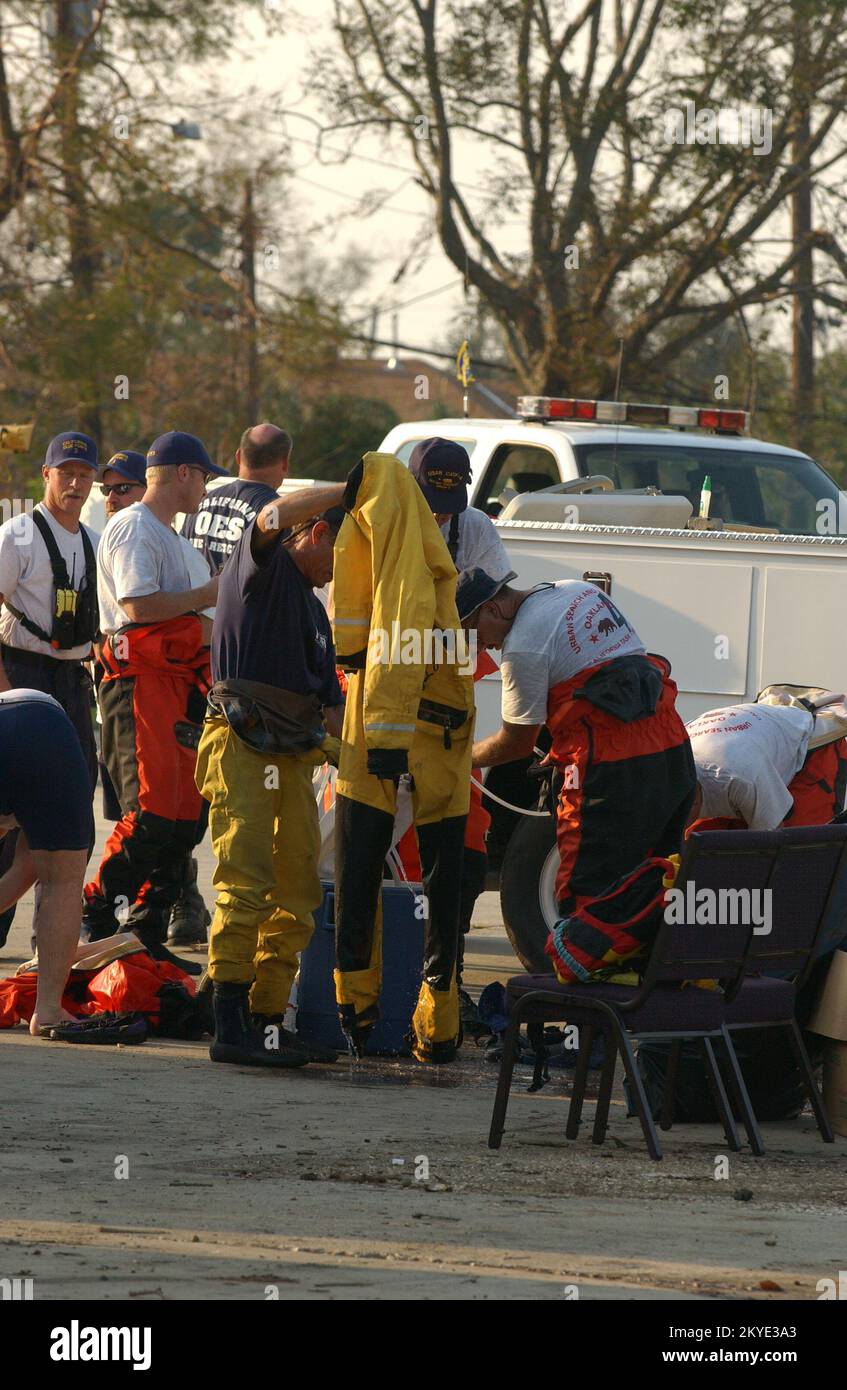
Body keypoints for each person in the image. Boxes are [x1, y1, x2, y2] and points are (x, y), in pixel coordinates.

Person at [195, 483, 347, 1068]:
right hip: (243, 746)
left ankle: (267, 1021)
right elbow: (273, 513)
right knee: (245, 880)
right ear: (318, 532)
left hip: (294, 755)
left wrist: (354, 755)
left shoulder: (315, 611)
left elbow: (327, 700)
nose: (340, 571)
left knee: (297, 891)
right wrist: (352, 481)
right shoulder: (259, 567)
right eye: (341, 551)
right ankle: (228, 1025)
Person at [460, 568, 696, 917]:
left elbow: (516, 743)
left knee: (586, 892)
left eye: (475, 634)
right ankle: (651, 967)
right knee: (658, 877)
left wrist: (461, 759)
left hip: (610, 762)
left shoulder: (523, 646)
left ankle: (586, 969)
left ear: (492, 609)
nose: (483, 647)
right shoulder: (575, 591)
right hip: (671, 746)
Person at [81, 431, 224, 959]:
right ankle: (96, 917)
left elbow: (201, 625)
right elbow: (138, 606)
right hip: (140, 683)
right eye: (204, 476)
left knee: (187, 816)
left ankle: (142, 935)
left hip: (182, 686)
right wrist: (208, 596)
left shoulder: (179, 544)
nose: (206, 489)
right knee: (152, 812)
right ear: (183, 473)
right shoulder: (132, 525)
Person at [403, 437, 512, 1019]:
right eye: (431, 497)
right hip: (387, 714)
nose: (441, 510)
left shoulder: (476, 529)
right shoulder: (383, 527)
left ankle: (447, 973)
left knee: (469, 842)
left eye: (450, 497)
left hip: (449, 715)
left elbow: (489, 601)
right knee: (386, 852)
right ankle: (387, 973)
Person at [0, 431, 100, 949]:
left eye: (85, 475)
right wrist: (6, 693)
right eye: (67, 473)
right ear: (46, 475)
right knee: (10, 817)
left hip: (71, 683)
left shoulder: (91, 539)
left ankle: (50, 945)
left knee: (68, 818)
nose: (76, 483)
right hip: (21, 674)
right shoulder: (16, 535)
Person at [0, 689, 94, 1033]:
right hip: (44, 725)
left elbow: (24, 869)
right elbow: (31, 870)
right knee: (63, 878)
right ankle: (49, 1010)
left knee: (52, 873)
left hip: (28, 720)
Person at [686, 698, 844, 830]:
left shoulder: (742, 777)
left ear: (694, 803)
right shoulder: (672, 758)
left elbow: (772, 839)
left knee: (799, 850)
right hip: (751, 746)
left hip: (811, 749)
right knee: (701, 844)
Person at [181, 423, 292, 573]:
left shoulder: (200, 502)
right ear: (285, 464)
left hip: (194, 595)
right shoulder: (278, 513)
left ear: (239, 457)